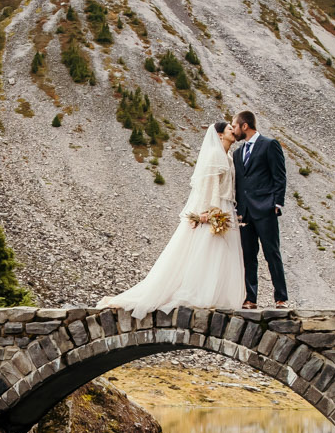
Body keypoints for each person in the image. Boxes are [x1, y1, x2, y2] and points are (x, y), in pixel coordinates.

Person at [97, 120, 244, 310]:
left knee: (221, 252)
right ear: (219, 135)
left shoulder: (229, 156)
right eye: (230, 129)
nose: (233, 132)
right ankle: (199, 293)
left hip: (226, 206)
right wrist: (209, 210)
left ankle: (215, 295)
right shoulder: (215, 154)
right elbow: (208, 186)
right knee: (208, 249)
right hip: (215, 206)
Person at [229, 109, 288, 307]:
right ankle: (250, 298)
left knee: (272, 253)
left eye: (235, 126)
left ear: (245, 126)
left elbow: (279, 176)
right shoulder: (237, 153)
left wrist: (276, 204)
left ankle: (280, 297)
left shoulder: (269, 145)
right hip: (244, 213)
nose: (234, 130)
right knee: (248, 256)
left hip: (265, 209)